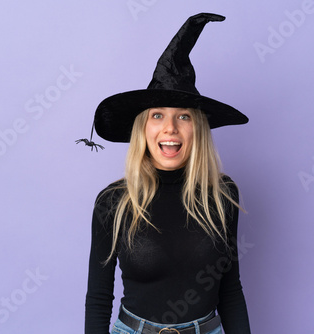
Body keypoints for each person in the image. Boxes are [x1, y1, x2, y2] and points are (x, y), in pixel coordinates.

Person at [84, 13, 252, 334]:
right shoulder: (113, 201)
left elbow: (231, 292)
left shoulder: (223, 194)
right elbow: (99, 298)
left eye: (184, 117)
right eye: (157, 115)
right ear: (143, 128)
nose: (170, 128)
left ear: (198, 128)